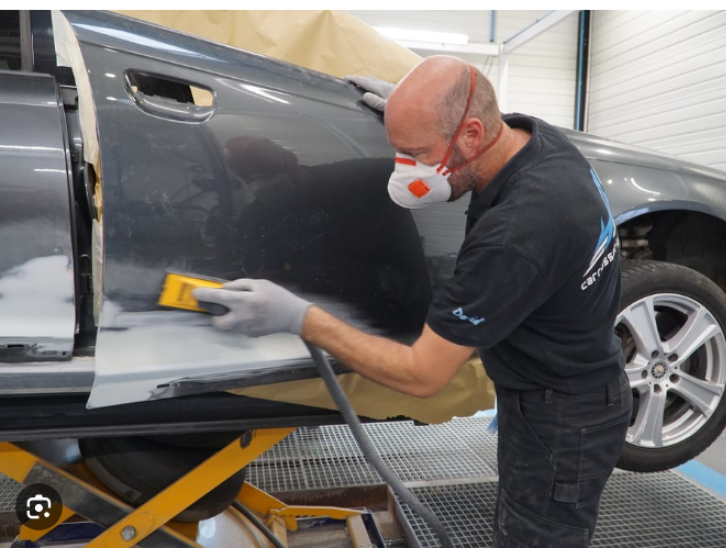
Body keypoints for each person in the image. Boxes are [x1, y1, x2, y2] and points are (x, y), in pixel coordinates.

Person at [194, 55, 632, 547]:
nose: (405, 172)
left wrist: (297, 315)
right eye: (400, 151)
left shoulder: (518, 233)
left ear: (470, 135)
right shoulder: (537, 140)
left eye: (417, 153)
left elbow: (423, 374)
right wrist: (414, 120)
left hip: (562, 418)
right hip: (563, 389)